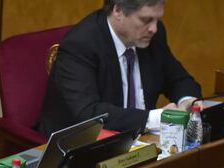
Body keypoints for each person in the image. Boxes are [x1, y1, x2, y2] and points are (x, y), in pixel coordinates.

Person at [38, 0, 203, 136]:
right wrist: (156, 118)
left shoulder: (152, 36)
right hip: (82, 145)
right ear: (118, 11)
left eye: (157, 19)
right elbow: (89, 114)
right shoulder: (80, 45)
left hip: (140, 141)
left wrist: (188, 101)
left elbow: (178, 79)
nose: (154, 28)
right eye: (146, 20)